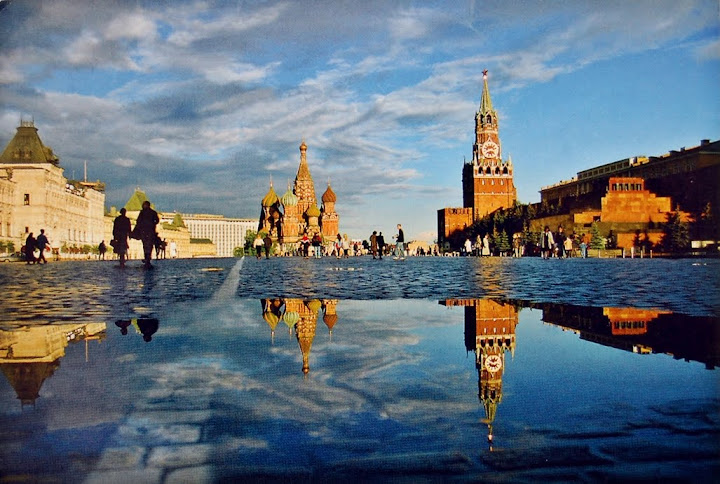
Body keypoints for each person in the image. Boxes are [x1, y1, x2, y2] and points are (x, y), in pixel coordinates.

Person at [133, 201, 159, 269]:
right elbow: (157, 220)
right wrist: (153, 224)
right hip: (151, 231)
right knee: (150, 245)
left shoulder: (142, 212)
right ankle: (148, 258)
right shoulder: (153, 212)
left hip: (144, 231)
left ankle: (146, 257)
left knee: (145, 245)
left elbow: (138, 221)